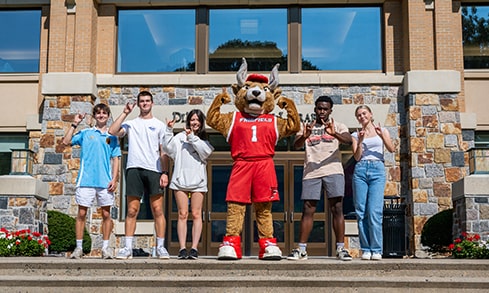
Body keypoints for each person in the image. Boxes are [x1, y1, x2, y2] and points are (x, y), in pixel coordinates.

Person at [287, 96, 353, 261]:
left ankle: (340, 249)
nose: (322, 111)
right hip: (312, 172)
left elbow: (349, 141)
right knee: (308, 209)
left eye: (325, 109)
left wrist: (334, 133)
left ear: (331, 110)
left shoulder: (338, 125)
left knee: (337, 208)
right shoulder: (307, 126)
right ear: (315, 109)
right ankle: (301, 249)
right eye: (319, 108)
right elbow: (296, 145)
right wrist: (304, 136)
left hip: (333, 170)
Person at [109, 90, 170, 260]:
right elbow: (112, 131)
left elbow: (163, 151)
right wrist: (125, 113)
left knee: (158, 210)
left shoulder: (159, 125)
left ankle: (160, 247)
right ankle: (127, 248)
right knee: (131, 210)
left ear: (152, 103)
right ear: (138, 103)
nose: (144, 103)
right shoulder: (131, 124)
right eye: (142, 101)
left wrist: (164, 172)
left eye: (147, 101)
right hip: (134, 168)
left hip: (154, 169)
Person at [62, 103, 121, 259]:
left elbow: (116, 158)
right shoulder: (86, 133)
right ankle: (79, 248)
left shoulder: (112, 136)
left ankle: (106, 248)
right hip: (86, 181)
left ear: (108, 116)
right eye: (98, 113)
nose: (101, 115)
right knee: (81, 213)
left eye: (104, 113)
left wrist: (114, 179)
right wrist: (75, 123)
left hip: (105, 182)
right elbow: (66, 141)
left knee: (106, 215)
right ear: (94, 116)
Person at [163, 109, 214, 260]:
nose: (194, 122)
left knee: (196, 214)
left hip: (198, 182)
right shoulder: (179, 137)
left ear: (201, 122)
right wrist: (168, 130)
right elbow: (167, 149)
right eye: (192, 119)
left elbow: (205, 153)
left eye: (197, 120)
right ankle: (182, 248)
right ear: (188, 121)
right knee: (182, 214)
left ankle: (194, 248)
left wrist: (192, 137)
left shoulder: (204, 140)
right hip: (180, 181)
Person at [351, 105, 395, 261]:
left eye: (364, 113)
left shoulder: (382, 131)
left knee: (374, 211)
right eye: (359, 115)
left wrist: (381, 136)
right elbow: (356, 157)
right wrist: (361, 140)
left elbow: (391, 149)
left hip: (377, 169)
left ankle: (376, 249)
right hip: (361, 170)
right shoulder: (356, 135)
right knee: (361, 211)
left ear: (370, 114)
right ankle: (366, 249)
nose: (362, 116)